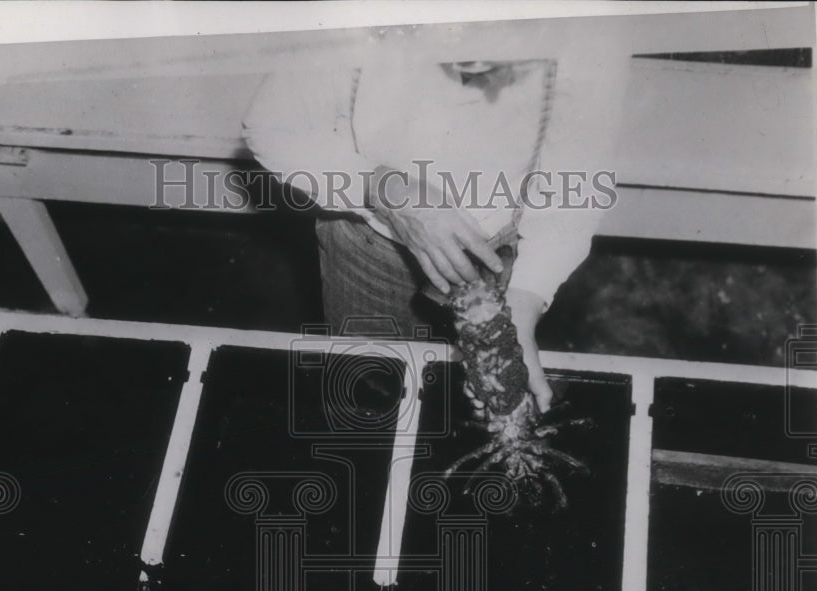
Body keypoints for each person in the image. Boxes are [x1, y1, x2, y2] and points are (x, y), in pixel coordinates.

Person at [243, 41, 631, 412]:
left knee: (472, 408)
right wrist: (384, 190)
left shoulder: (593, 30)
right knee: (371, 395)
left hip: (506, 250)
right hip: (372, 247)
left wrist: (526, 300)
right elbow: (273, 127)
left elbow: (576, 187)